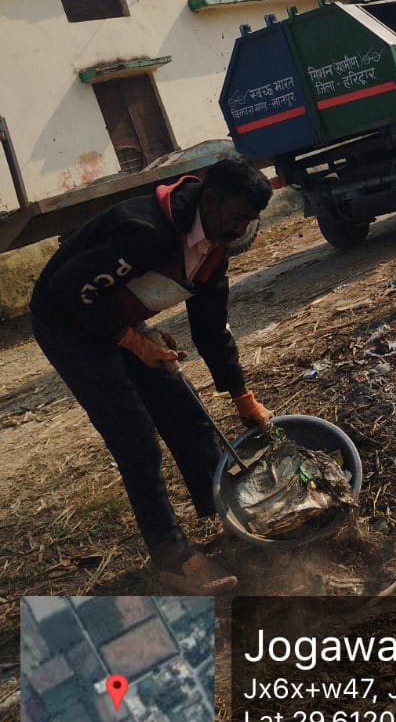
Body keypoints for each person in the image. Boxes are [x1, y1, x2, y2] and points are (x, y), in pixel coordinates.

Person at [30, 157, 274, 594]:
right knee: (136, 439)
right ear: (211, 200)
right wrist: (131, 340)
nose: (241, 229)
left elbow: (210, 328)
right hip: (67, 322)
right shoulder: (146, 230)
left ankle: (229, 516)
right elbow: (66, 290)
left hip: (112, 313)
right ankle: (172, 560)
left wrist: (242, 395)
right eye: (237, 217)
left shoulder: (215, 246)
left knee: (186, 412)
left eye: (248, 221)